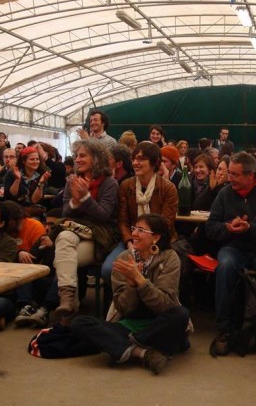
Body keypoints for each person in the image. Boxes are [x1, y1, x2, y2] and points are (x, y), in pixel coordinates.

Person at [71, 214, 190, 375]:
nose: (134, 233)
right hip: (130, 324)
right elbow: (124, 308)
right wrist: (130, 284)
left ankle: (128, 344)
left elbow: (165, 305)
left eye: (141, 230)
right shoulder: (124, 259)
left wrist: (140, 281)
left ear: (156, 237)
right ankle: (144, 353)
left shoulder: (169, 257)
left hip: (159, 323)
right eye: (134, 228)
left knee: (181, 314)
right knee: (79, 323)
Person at [206, 151, 256, 356]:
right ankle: (224, 329)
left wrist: (251, 228)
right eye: (229, 173)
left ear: (251, 175)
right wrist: (227, 228)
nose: (229, 178)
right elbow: (211, 227)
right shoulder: (224, 194)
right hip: (234, 247)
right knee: (225, 267)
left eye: (234, 174)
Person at [51, 139, 119, 323]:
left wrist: (85, 197)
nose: (78, 160)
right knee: (64, 237)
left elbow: (104, 216)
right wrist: (74, 199)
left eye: (83, 155)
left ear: (96, 158)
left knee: (62, 258)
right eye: (76, 156)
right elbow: (65, 212)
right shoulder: (72, 181)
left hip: (99, 236)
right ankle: (68, 301)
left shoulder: (109, 183)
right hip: (74, 231)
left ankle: (68, 305)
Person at [102, 141, 178, 287]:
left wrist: (147, 243)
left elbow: (166, 224)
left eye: (141, 159)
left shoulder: (168, 188)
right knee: (107, 270)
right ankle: (120, 305)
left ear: (155, 162)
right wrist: (130, 242)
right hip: (131, 240)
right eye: (133, 159)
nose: (135, 163)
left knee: (154, 271)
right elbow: (123, 221)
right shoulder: (126, 186)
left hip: (158, 242)